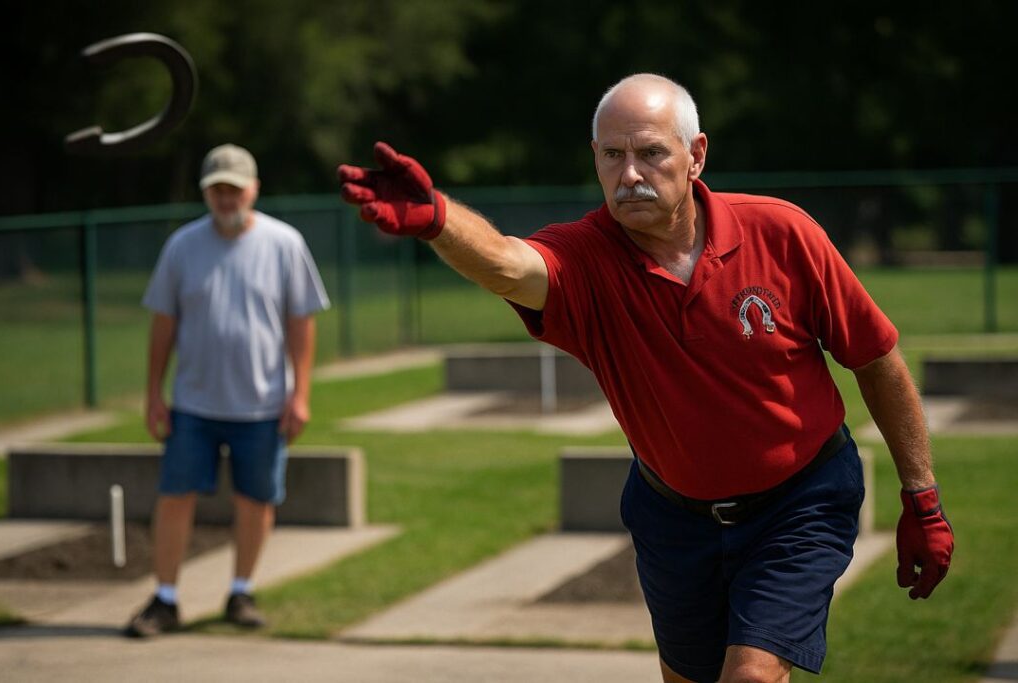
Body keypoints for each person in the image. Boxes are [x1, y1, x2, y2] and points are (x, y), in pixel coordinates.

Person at [337, 74, 954, 682]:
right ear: (596, 160)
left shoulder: (782, 232)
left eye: (651, 152)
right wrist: (437, 219)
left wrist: (921, 498)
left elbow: (877, 360)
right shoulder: (584, 257)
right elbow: (505, 263)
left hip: (800, 502)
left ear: (696, 155)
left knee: (752, 676)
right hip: (673, 516)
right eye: (613, 155)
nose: (630, 173)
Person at [125, 144, 330, 638]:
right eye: (216, 188)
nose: (225, 197)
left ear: (253, 189)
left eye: (234, 188)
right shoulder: (182, 246)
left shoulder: (284, 243)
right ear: (205, 193)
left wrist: (300, 394)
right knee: (175, 495)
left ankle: (242, 590)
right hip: (193, 403)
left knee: (255, 499)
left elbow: (300, 323)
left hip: (262, 405)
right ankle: (166, 598)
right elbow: (163, 323)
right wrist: (154, 393)